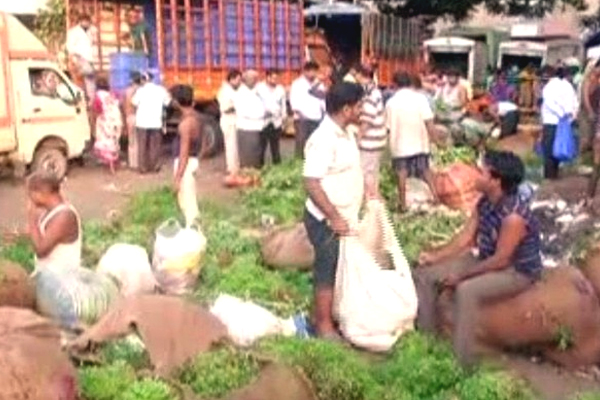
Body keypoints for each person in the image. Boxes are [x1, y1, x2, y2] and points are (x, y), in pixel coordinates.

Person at [414, 150, 541, 368]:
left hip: (515, 271)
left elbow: (502, 260)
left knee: (466, 290)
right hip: (488, 258)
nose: (475, 175)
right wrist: (434, 256)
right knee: (423, 275)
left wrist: (461, 276)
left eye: (481, 172)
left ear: (495, 180)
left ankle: (462, 362)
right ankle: (428, 341)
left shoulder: (514, 216)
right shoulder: (485, 202)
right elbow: (464, 238)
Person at [303, 82, 365, 340]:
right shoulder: (324, 138)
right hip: (325, 221)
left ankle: (331, 315)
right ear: (347, 108)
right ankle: (324, 325)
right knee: (326, 269)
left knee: (338, 267)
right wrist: (334, 216)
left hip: (343, 217)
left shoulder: (346, 131)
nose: (362, 110)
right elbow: (311, 182)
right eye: (359, 106)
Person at [386, 72, 439, 212]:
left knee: (401, 174)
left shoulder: (391, 102)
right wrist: (435, 139)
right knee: (426, 171)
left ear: (395, 84)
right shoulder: (420, 99)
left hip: (400, 145)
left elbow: (387, 126)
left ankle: (403, 204)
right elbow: (429, 121)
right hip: (420, 142)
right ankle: (435, 198)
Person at [26, 172, 81, 274]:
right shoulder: (49, 211)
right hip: (49, 278)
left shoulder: (64, 216)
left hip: (62, 281)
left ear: (40, 194)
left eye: (30, 194)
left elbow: (41, 252)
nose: (29, 199)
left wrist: (31, 219)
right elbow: (43, 234)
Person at [171, 85, 205, 227]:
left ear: (177, 102)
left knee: (188, 203)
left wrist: (177, 178)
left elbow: (183, 153)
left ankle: (194, 233)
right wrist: (197, 160)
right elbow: (203, 143)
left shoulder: (185, 124)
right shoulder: (197, 118)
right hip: (193, 162)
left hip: (185, 164)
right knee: (191, 200)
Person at [540, 66, 578, 180]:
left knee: (548, 149)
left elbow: (549, 103)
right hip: (565, 122)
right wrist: (570, 116)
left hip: (551, 121)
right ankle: (555, 173)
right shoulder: (569, 86)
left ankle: (549, 176)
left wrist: (560, 114)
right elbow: (575, 103)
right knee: (558, 148)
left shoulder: (549, 86)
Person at [131, 72, 171, 174]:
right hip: (156, 121)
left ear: (143, 80)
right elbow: (167, 102)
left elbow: (134, 103)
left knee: (142, 145)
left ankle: (143, 168)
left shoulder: (140, 91)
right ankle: (155, 166)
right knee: (155, 145)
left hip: (142, 122)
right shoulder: (161, 90)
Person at [356, 65, 386, 198]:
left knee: (366, 175)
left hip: (370, 142)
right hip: (378, 140)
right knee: (372, 175)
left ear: (361, 75)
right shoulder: (375, 90)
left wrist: (358, 139)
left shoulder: (369, 94)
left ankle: (375, 206)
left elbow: (367, 121)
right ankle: (375, 206)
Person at [290, 62, 324, 158]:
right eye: (311, 71)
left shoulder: (319, 84)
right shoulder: (297, 84)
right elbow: (294, 101)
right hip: (302, 119)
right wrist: (300, 115)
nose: (313, 74)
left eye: (315, 71)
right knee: (301, 143)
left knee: (314, 144)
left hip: (316, 118)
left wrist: (323, 115)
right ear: (305, 71)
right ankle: (298, 165)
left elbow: (322, 100)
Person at [234, 70, 266, 169]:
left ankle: (255, 177)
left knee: (257, 157)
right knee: (248, 158)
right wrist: (262, 114)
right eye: (253, 79)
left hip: (257, 128)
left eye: (256, 79)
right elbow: (245, 112)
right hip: (247, 129)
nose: (255, 81)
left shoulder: (256, 91)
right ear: (246, 80)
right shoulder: (240, 93)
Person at [92, 77, 123, 174]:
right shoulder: (113, 94)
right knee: (114, 142)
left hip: (105, 122)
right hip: (116, 121)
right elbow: (119, 102)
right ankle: (114, 162)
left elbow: (97, 110)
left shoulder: (98, 96)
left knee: (105, 144)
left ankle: (111, 166)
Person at [257, 69, 286, 166]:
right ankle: (259, 170)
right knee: (261, 149)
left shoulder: (280, 89)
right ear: (267, 77)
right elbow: (255, 104)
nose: (275, 80)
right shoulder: (259, 88)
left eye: (277, 78)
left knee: (276, 149)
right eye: (273, 78)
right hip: (263, 122)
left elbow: (283, 106)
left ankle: (277, 171)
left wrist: (283, 120)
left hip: (276, 123)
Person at [66, 14, 97, 103]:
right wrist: (75, 59)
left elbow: (95, 30)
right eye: (85, 21)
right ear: (80, 22)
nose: (87, 23)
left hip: (89, 59)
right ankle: (82, 101)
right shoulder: (74, 32)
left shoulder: (91, 30)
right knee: (80, 82)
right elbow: (69, 47)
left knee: (90, 82)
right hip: (79, 58)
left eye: (88, 22)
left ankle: (91, 101)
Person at [217, 69, 242, 177]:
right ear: (231, 79)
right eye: (238, 80)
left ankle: (236, 168)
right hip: (229, 121)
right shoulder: (224, 91)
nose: (239, 83)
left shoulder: (234, 90)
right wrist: (238, 107)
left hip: (235, 121)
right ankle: (231, 169)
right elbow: (225, 109)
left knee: (236, 147)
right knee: (231, 147)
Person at [124, 72, 142, 170]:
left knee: (132, 142)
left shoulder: (127, 91)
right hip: (140, 117)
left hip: (130, 117)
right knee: (140, 141)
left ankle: (132, 163)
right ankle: (140, 162)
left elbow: (124, 105)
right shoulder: (142, 91)